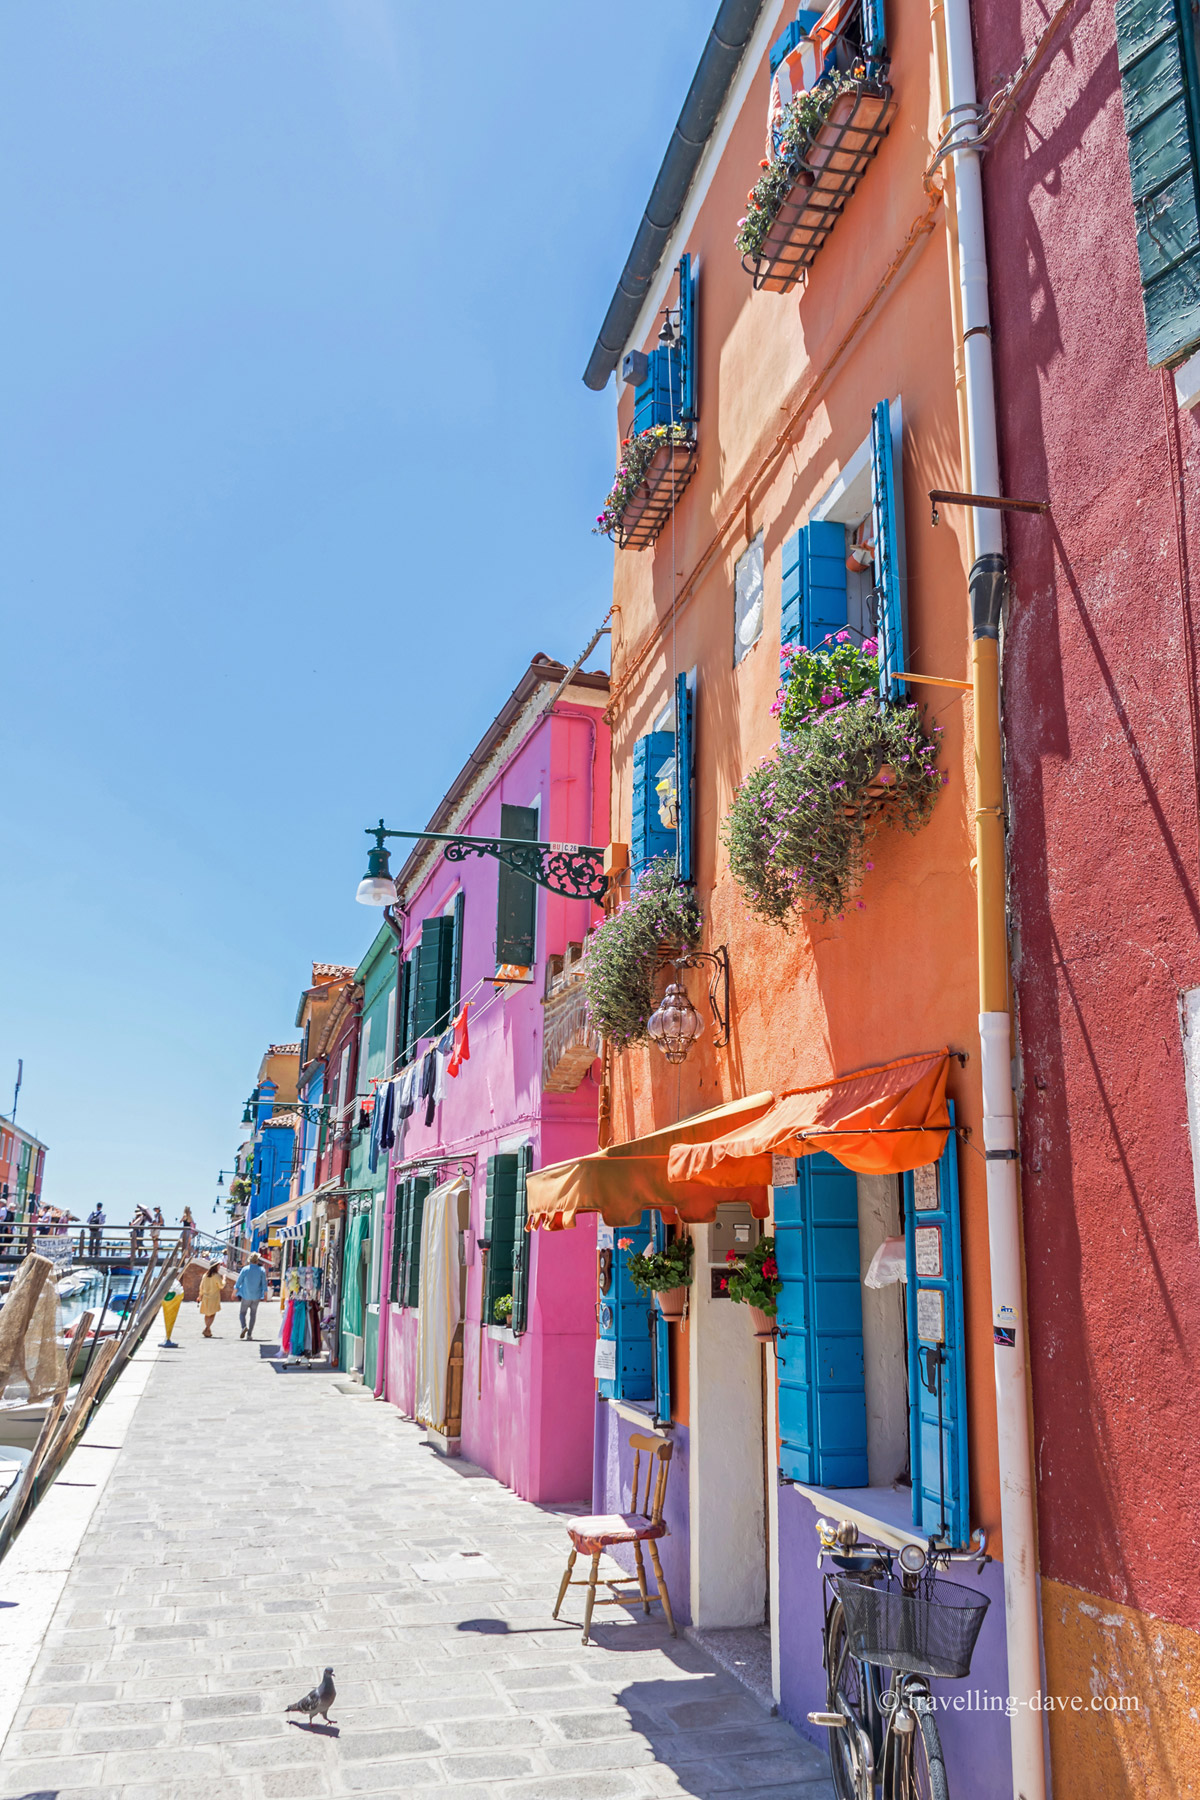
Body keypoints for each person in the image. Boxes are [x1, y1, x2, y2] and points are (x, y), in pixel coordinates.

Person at [235, 1254, 268, 1340]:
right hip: (256, 1296)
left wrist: (234, 1292)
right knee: (253, 1315)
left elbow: (238, 1282)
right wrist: (265, 1295)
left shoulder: (245, 1269)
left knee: (242, 1313)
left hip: (246, 1295)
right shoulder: (262, 1270)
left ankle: (243, 1327)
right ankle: (249, 1334)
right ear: (257, 1260)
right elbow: (264, 1284)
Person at [198, 1262, 224, 1337]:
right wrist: (224, 1279)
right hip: (214, 1297)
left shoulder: (205, 1275)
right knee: (212, 1314)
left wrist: (200, 1296)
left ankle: (208, 1330)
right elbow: (221, 1286)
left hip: (206, 1297)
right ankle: (207, 1328)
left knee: (207, 1314)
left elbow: (201, 1287)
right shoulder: (216, 1276)